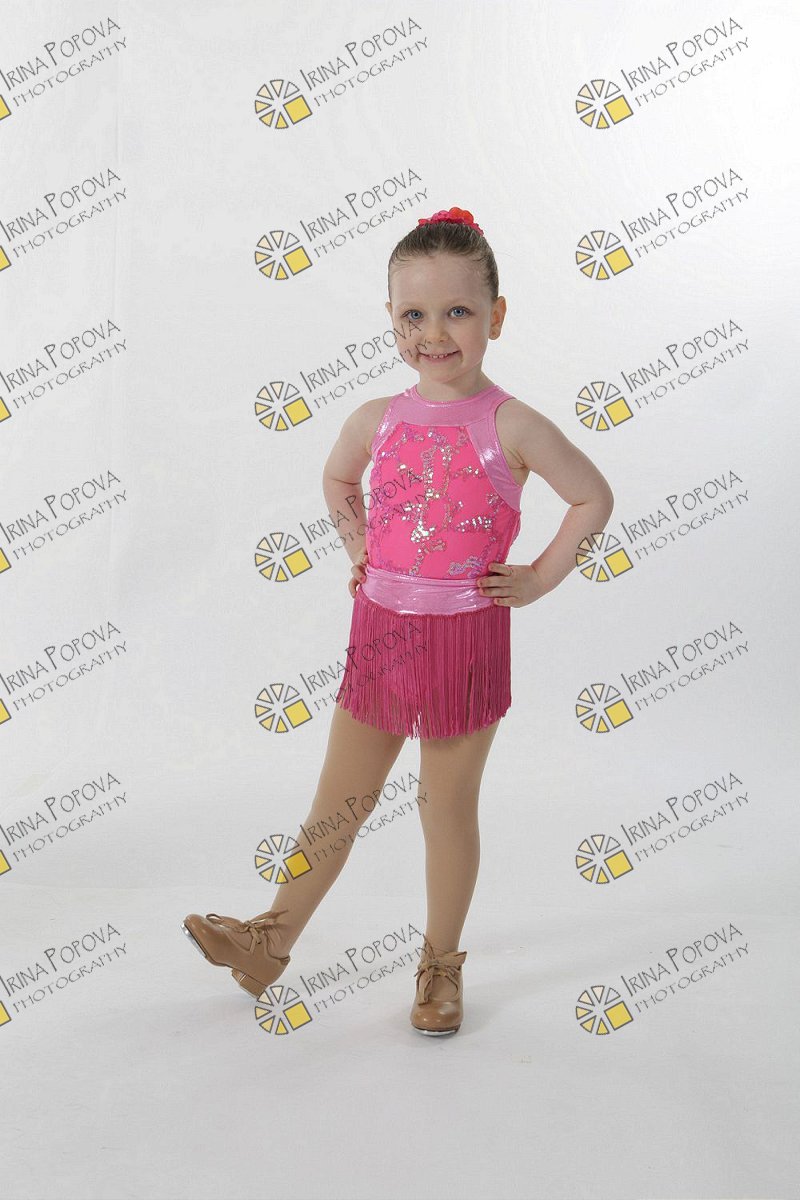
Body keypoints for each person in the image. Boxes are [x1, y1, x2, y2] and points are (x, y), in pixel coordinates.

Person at [182, 205, 614, 1036]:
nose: (435, 334)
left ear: (496, 315)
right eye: (414, 315)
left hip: (465, 640)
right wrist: (361, 548)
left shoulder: (513, 424)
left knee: (442, 807)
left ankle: (441, 965)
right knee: (339, 802)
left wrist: (537, 579)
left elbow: (592, 496)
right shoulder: (375, 419)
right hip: (380, 632)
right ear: (390, 318)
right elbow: (338, 481)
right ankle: (271, 939)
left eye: (457, 311)